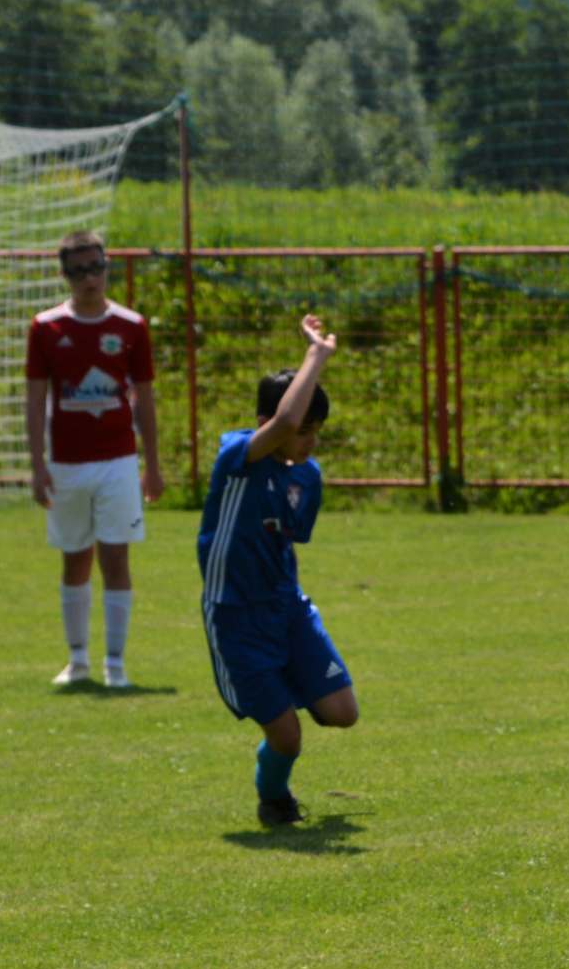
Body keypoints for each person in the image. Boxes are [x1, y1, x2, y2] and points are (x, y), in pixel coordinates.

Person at [197, 315, 358, 826]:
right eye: (303, 431)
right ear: (266, 420)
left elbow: (285, 538)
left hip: (286, 610)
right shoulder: (237, 458)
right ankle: (274, 797)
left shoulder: (306, 477)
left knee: (343, 712)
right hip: (236, 617)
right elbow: (285, 426)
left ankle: (290, 687)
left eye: (317, 432)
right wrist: (317, 354)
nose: (308, 441)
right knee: (288, 738)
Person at [24, 230, 164, 689]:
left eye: (96, 267)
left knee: (116, 558)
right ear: (65, 275)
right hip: (66, 463)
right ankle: (78, 660)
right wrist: (37, 464)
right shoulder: (46, 328)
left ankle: (116, 665)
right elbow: (35, 399)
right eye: (79, 270)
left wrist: (153, 465)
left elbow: (145, 400)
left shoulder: (131, 326)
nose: (90, 278)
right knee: (75, 560)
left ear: (107, 267)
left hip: (118, 461)